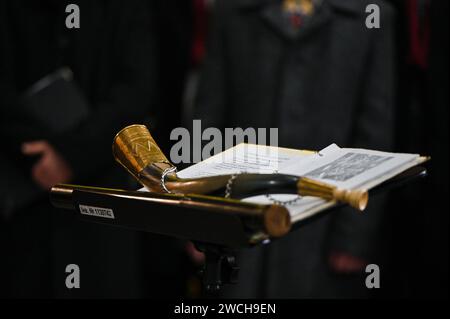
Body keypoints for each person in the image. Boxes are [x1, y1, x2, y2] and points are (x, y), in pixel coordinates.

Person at [193, 0, 396, 298]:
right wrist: (199, 218)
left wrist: (355, 236)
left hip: (326, 221)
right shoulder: (233, 12)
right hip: (241, 213)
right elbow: (209, 116)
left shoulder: (371, 17)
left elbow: (375, 133)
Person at [0, 0, 185, 298]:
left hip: (102, 193)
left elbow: (136, 92)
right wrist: (35, 153)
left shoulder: (126, 9)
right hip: (23, 195)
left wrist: (70, 153)